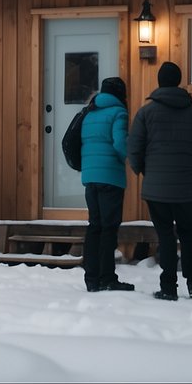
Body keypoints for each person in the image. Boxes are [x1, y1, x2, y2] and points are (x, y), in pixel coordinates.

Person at [127, 62, 192, 301]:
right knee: (188, 234)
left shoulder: (146, 112)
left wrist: (146, 171)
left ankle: (168, 287)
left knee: (165, 235)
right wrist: (190, 165)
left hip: (156, 187)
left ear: (159, 81)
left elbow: (134, 150)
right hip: (184, 186)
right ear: (178, 80)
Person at [80, 76, 133, 292]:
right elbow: (121, 144)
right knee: (109, 228)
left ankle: (91, 278)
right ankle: (107, 277)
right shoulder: (119, 112)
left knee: (95, 226)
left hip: (90, 177)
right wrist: (125, 157)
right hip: (110, 177)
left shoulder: (89, 113)